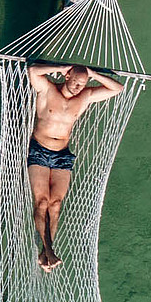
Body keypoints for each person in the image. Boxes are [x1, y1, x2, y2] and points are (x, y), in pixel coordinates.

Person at [26, 61, 124, 272]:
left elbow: (117, 88)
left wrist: (92, 74)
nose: (79, 87)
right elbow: (33, 71)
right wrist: (60, 69)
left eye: (83, 83)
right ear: (67, 77)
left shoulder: (85, 96)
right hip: (39, 150)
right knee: (42, 202)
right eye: (76, 82)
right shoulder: (47, 89)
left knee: (56, 204)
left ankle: (46, 252)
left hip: (62, 154)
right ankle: (48, 251)